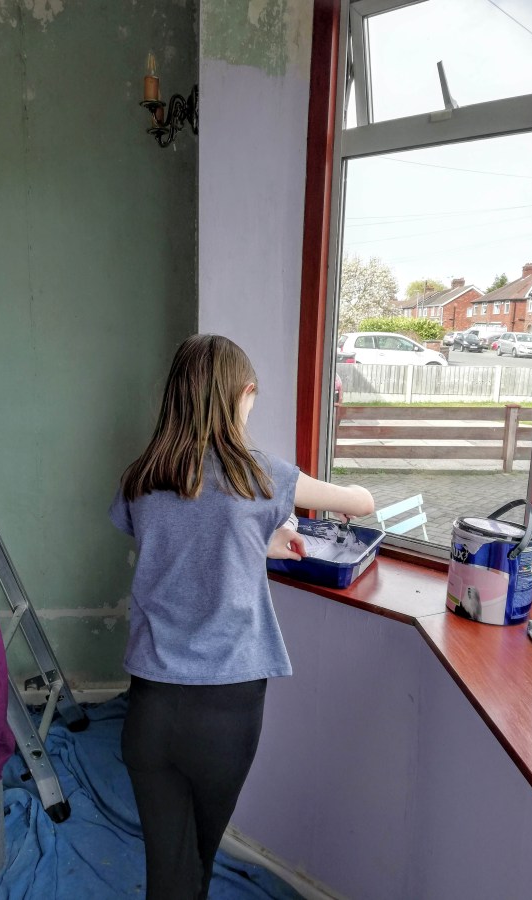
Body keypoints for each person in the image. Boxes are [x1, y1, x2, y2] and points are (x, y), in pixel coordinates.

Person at [109, 334, 374, 900]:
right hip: (225, 714)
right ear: (243, 394)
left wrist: (262, 540)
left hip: (149, 711)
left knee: (168, 874)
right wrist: (346, 492)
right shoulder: (262, 475)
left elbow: (183, 543)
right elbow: (359, 505)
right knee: (199, 866)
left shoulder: (141, 477)